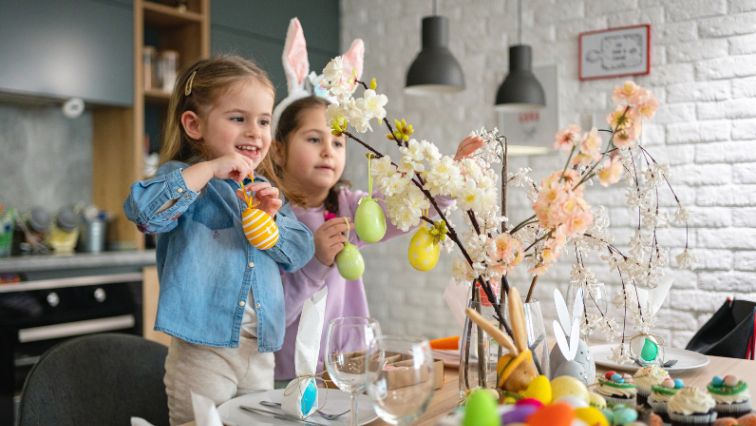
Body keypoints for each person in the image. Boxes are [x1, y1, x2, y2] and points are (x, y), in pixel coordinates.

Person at [123, 55, 314, 425]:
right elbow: (145, 213)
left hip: (259, 352)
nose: (255, 132)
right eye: (238, 118)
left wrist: (272, 226)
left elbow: (301, 251)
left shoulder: (266, 191)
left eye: (263, 121)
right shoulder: (182, 180)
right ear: (194, 125)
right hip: (202, 351)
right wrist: (209, 169)